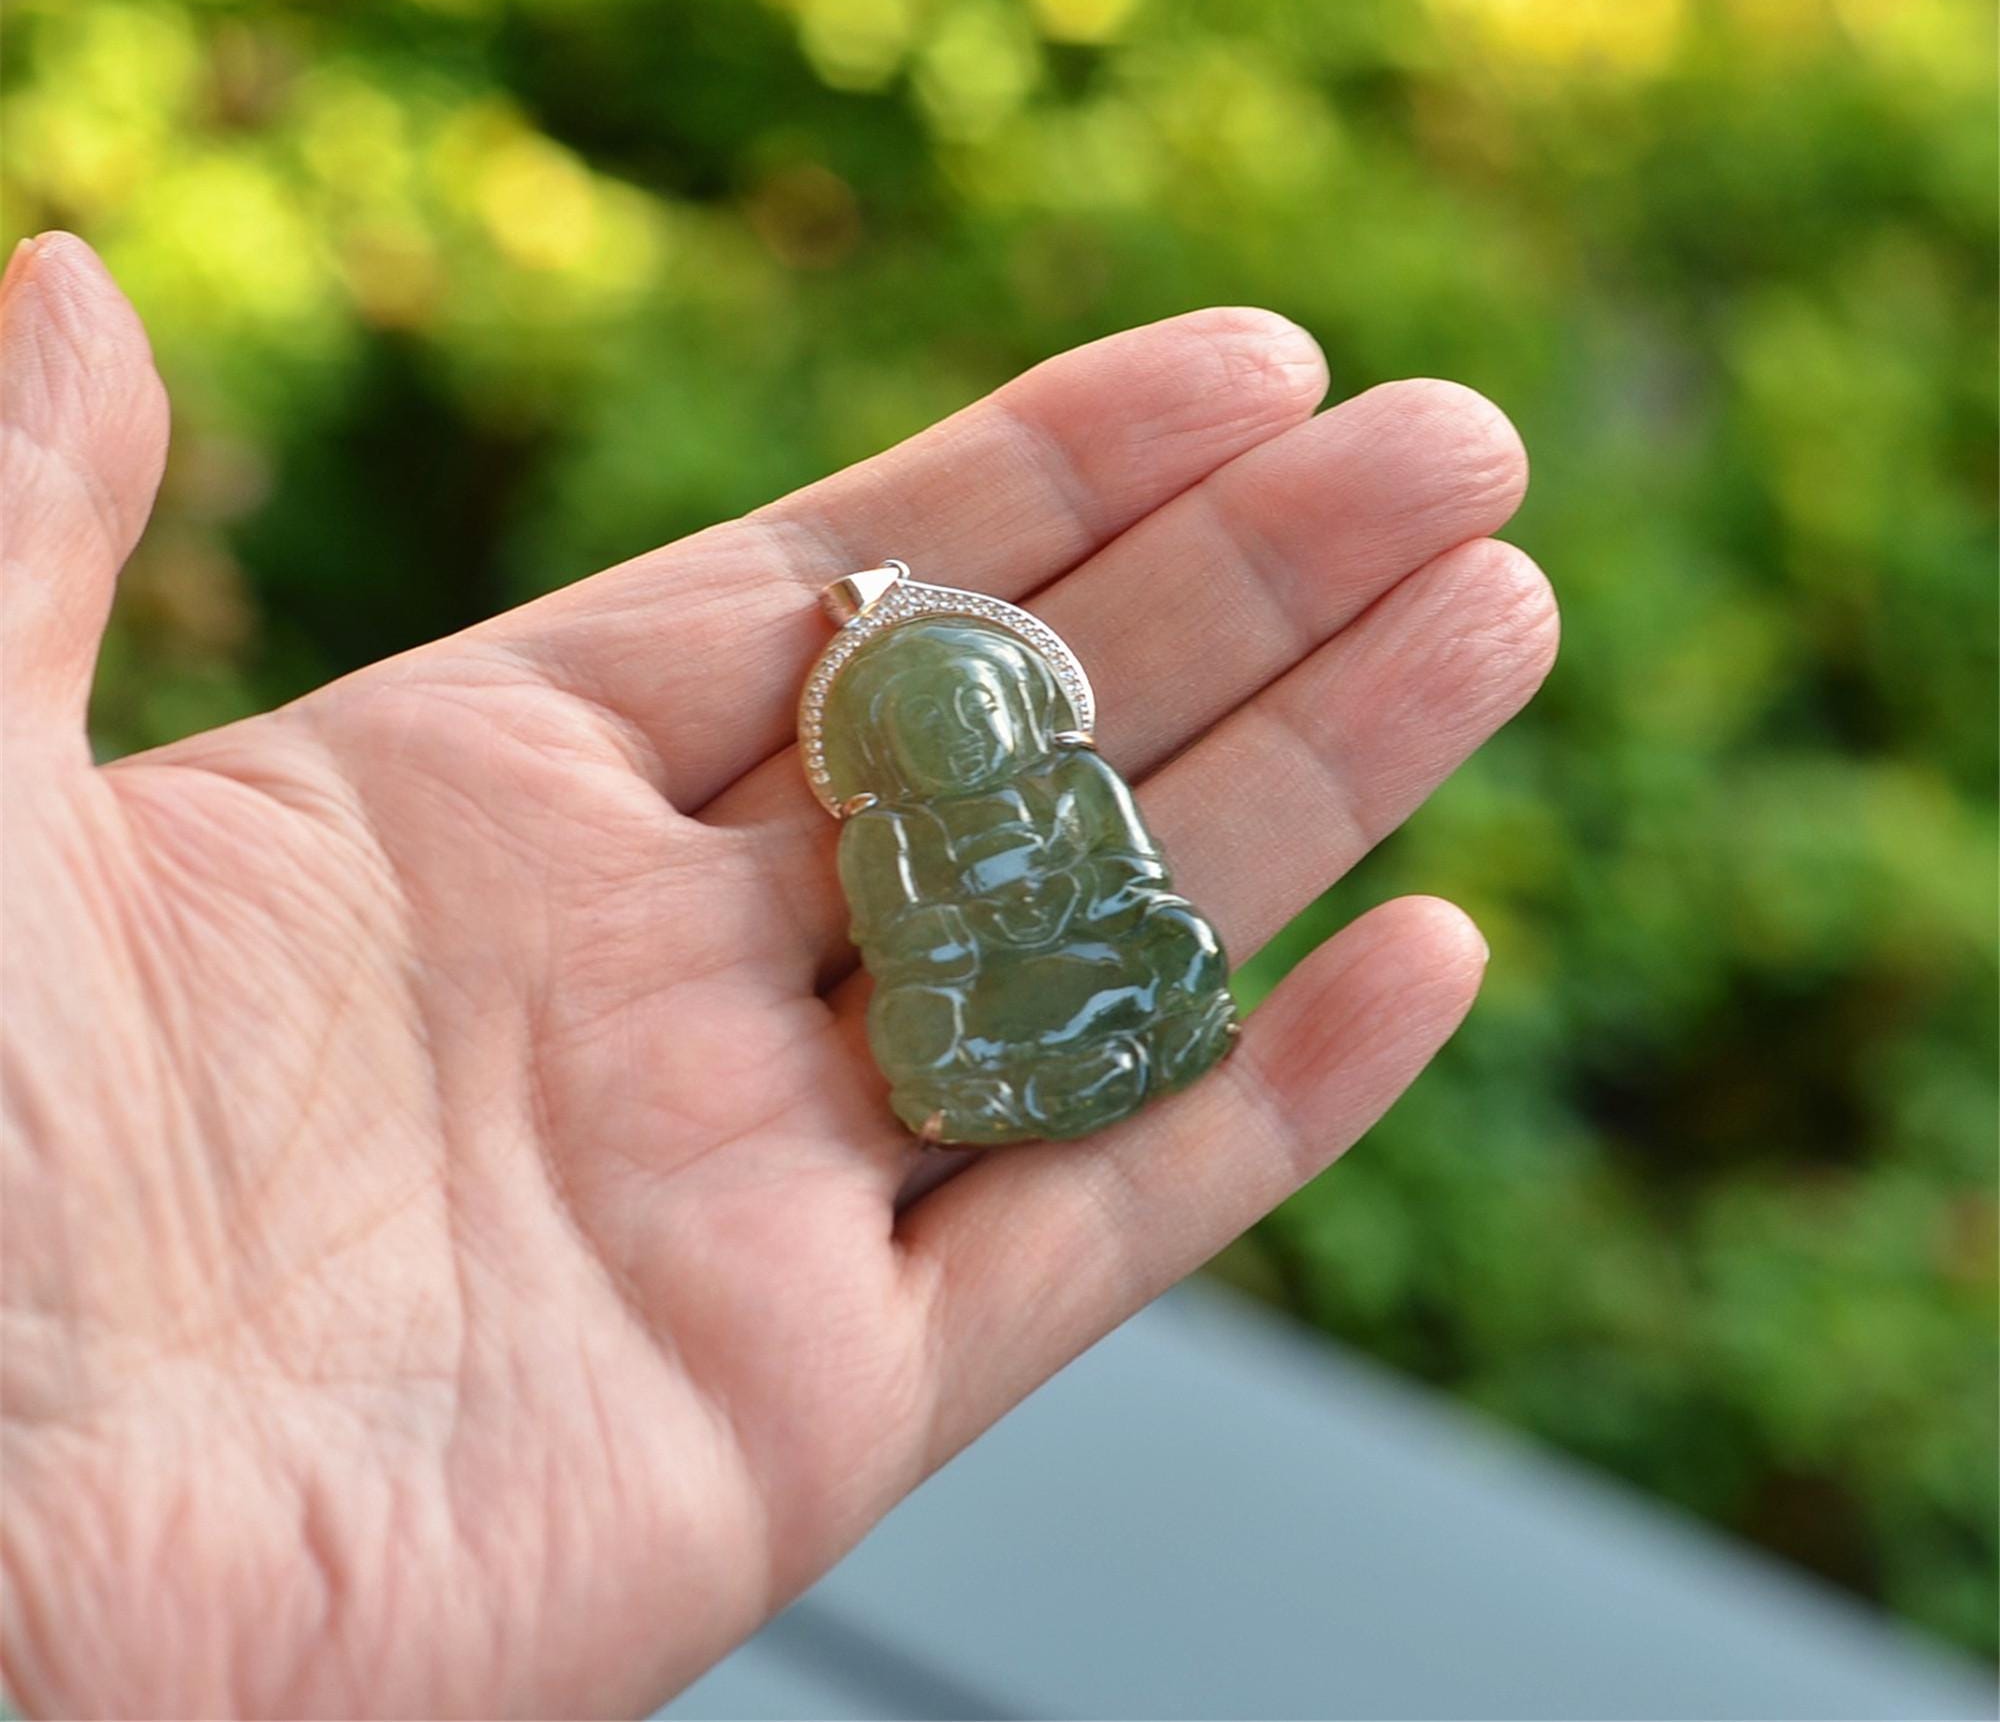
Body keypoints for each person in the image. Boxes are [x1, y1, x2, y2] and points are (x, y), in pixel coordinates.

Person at [0, 232, 1557, 1717]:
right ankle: (1032, 1066)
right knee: (945, 1017)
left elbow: (1131, 881)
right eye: (928, 727)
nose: (959, 746)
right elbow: (922, 948)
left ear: (1014, 711)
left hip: (1082, 948)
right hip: (990, 991)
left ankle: (1105, 1040)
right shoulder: (884, 838)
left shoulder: (1071, 783)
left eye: (975, 718)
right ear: (886, 740)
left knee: (1149, 945)